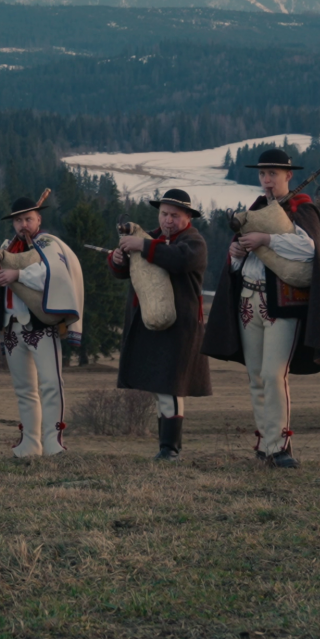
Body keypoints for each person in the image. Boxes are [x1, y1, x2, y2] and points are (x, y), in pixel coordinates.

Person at [201, 148, 320, 469]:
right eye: (263, 174)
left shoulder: (302, 209)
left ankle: (280, 446)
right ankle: (265, 444)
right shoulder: (256, 209)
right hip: (248, 300)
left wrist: (266, 238)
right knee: (256, 376)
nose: (267, 180)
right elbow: (238, 265)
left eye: (273, 174)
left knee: (273, 374)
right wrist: (237, 254)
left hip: (283, 302)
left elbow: (309, 250)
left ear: (288, 176)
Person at [0, 195, 85, 459]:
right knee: (24, 389)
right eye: (18, 220)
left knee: (51, 383)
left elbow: (54, 274)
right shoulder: (7, 248)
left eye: (28, 219)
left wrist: (18, 274)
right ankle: (30, 443)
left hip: (40, 323)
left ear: (38, 219)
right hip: (11, 326)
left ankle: (53, 442)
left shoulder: (48, 244)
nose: (23, 224)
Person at [109, 188, 211, 461]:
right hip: (150, 322)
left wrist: (141, 246)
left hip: (181, 326)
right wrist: (118, 260)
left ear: (188, 217)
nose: (168, 220)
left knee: (170, 386)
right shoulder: (150, 238)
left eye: (174, 215)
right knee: (159, 387)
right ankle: (166, 447)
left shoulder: (194, 242)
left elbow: (180, 259)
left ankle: (170, 448)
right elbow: (125, 271)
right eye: (164, 214)